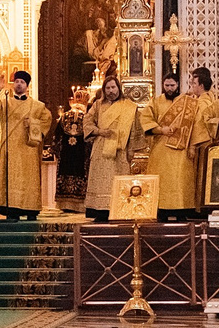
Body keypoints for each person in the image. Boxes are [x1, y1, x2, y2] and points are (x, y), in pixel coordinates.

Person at [0, 71, 52, 218]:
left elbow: (47, 120)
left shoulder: (37, 106)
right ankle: (11, 210)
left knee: (29, 178)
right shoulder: (5, 103)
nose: (19, 84)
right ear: (13, 85)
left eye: (22, 82)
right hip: (10, 148)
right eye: (16, 81)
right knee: (11, 178)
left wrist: (33, 126)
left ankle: (30, 209)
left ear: (27, 86)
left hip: (28, 148)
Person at [82, 76, 143, 219]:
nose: (111, 91)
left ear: (118, 88)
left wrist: (131, 150)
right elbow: (87, 121)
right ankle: (100, 212)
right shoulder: (97, 105)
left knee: (118, 179)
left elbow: (135, 129)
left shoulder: (129, 106)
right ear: (104, 90)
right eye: (108, 88)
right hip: (101, 148)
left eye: (113, 87)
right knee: (100, 182)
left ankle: (119, 210)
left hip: (120, 151)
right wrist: (99, 131)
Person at [141, 72, 198, 218]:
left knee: (180, 179)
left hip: (181, 148)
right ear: (163, 85)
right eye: (167, 85)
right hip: (161, 146)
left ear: (178, 85)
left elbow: (194, 124)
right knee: (162, 180)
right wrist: (161, 129)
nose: (170, 88)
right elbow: (146, 119)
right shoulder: (156, 102)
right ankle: (161, 210)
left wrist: (192, 146)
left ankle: (182, 210)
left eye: (172, 85)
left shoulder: (187, 101)